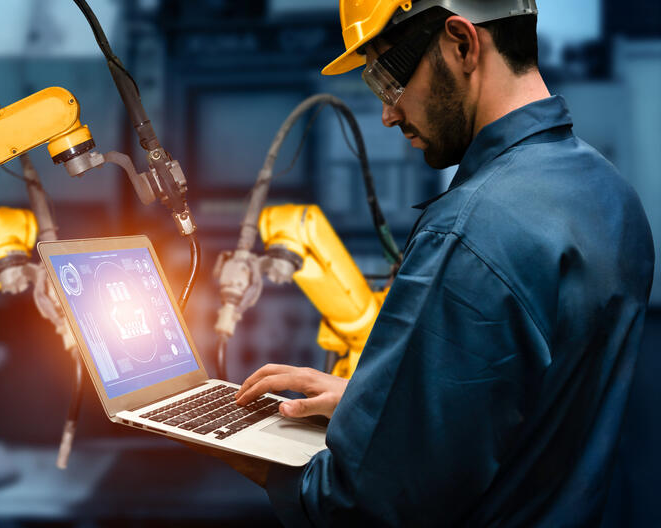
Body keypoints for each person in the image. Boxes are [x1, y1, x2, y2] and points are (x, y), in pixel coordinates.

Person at [202, 1, 656, 526]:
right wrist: (384, 404)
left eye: (387, 76)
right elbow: (535, 409)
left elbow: (367, 507)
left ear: (462, 43)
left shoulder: (468, 231)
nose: (388, 113)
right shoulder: (611, 195)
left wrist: (243, 445)